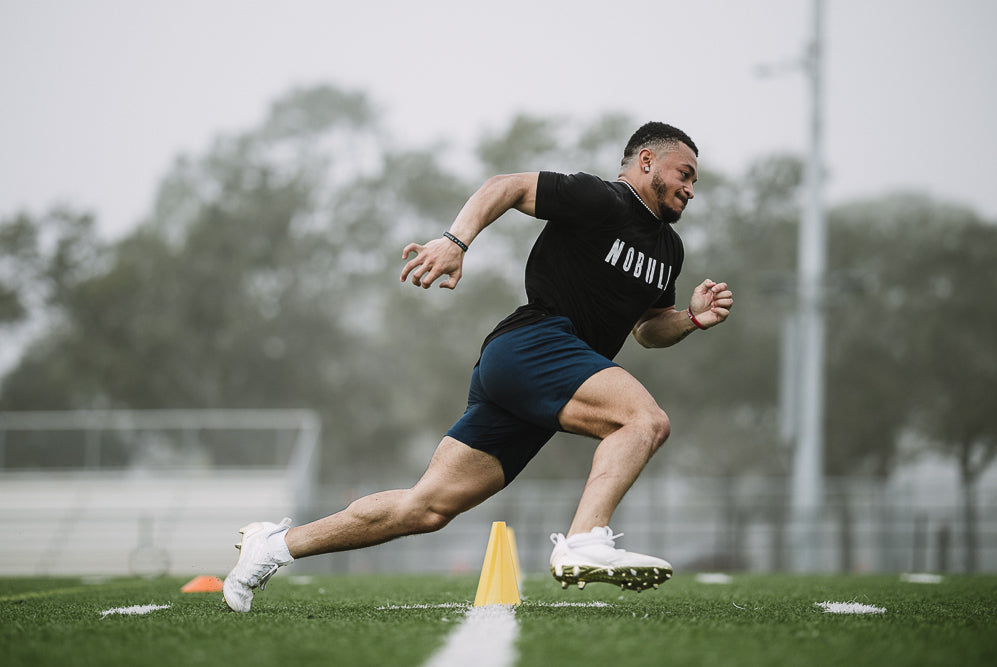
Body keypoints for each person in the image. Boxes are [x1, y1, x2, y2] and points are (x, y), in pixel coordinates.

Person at [223, 121, 734, 612]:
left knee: (427, 508)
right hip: (534, 344)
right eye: (683, 174)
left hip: (537, 375)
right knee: (645, 421)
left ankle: (273, 545)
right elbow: (505, 186)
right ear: (647, 162)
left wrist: (690, 318)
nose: (690, 189)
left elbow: (647, 329)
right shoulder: (602, 198)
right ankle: (584, 540)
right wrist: (455, 241)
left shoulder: (669, 248)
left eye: (694, 181)